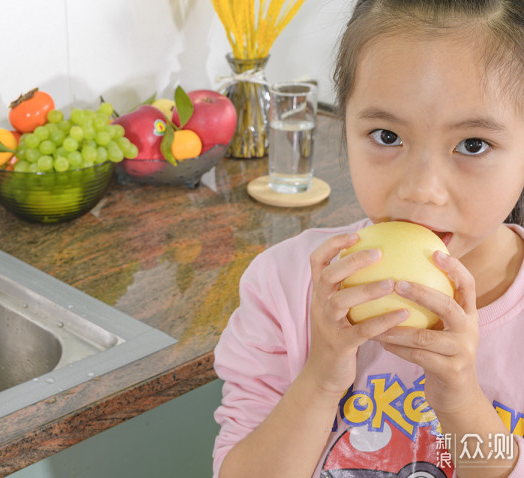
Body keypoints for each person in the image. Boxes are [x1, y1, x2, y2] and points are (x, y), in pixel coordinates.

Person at [212, 1, 524, 477]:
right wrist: (320, 378)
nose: (420, 189)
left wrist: (461, 402)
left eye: (473, 145)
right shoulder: (284, 283)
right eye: (386, 135)